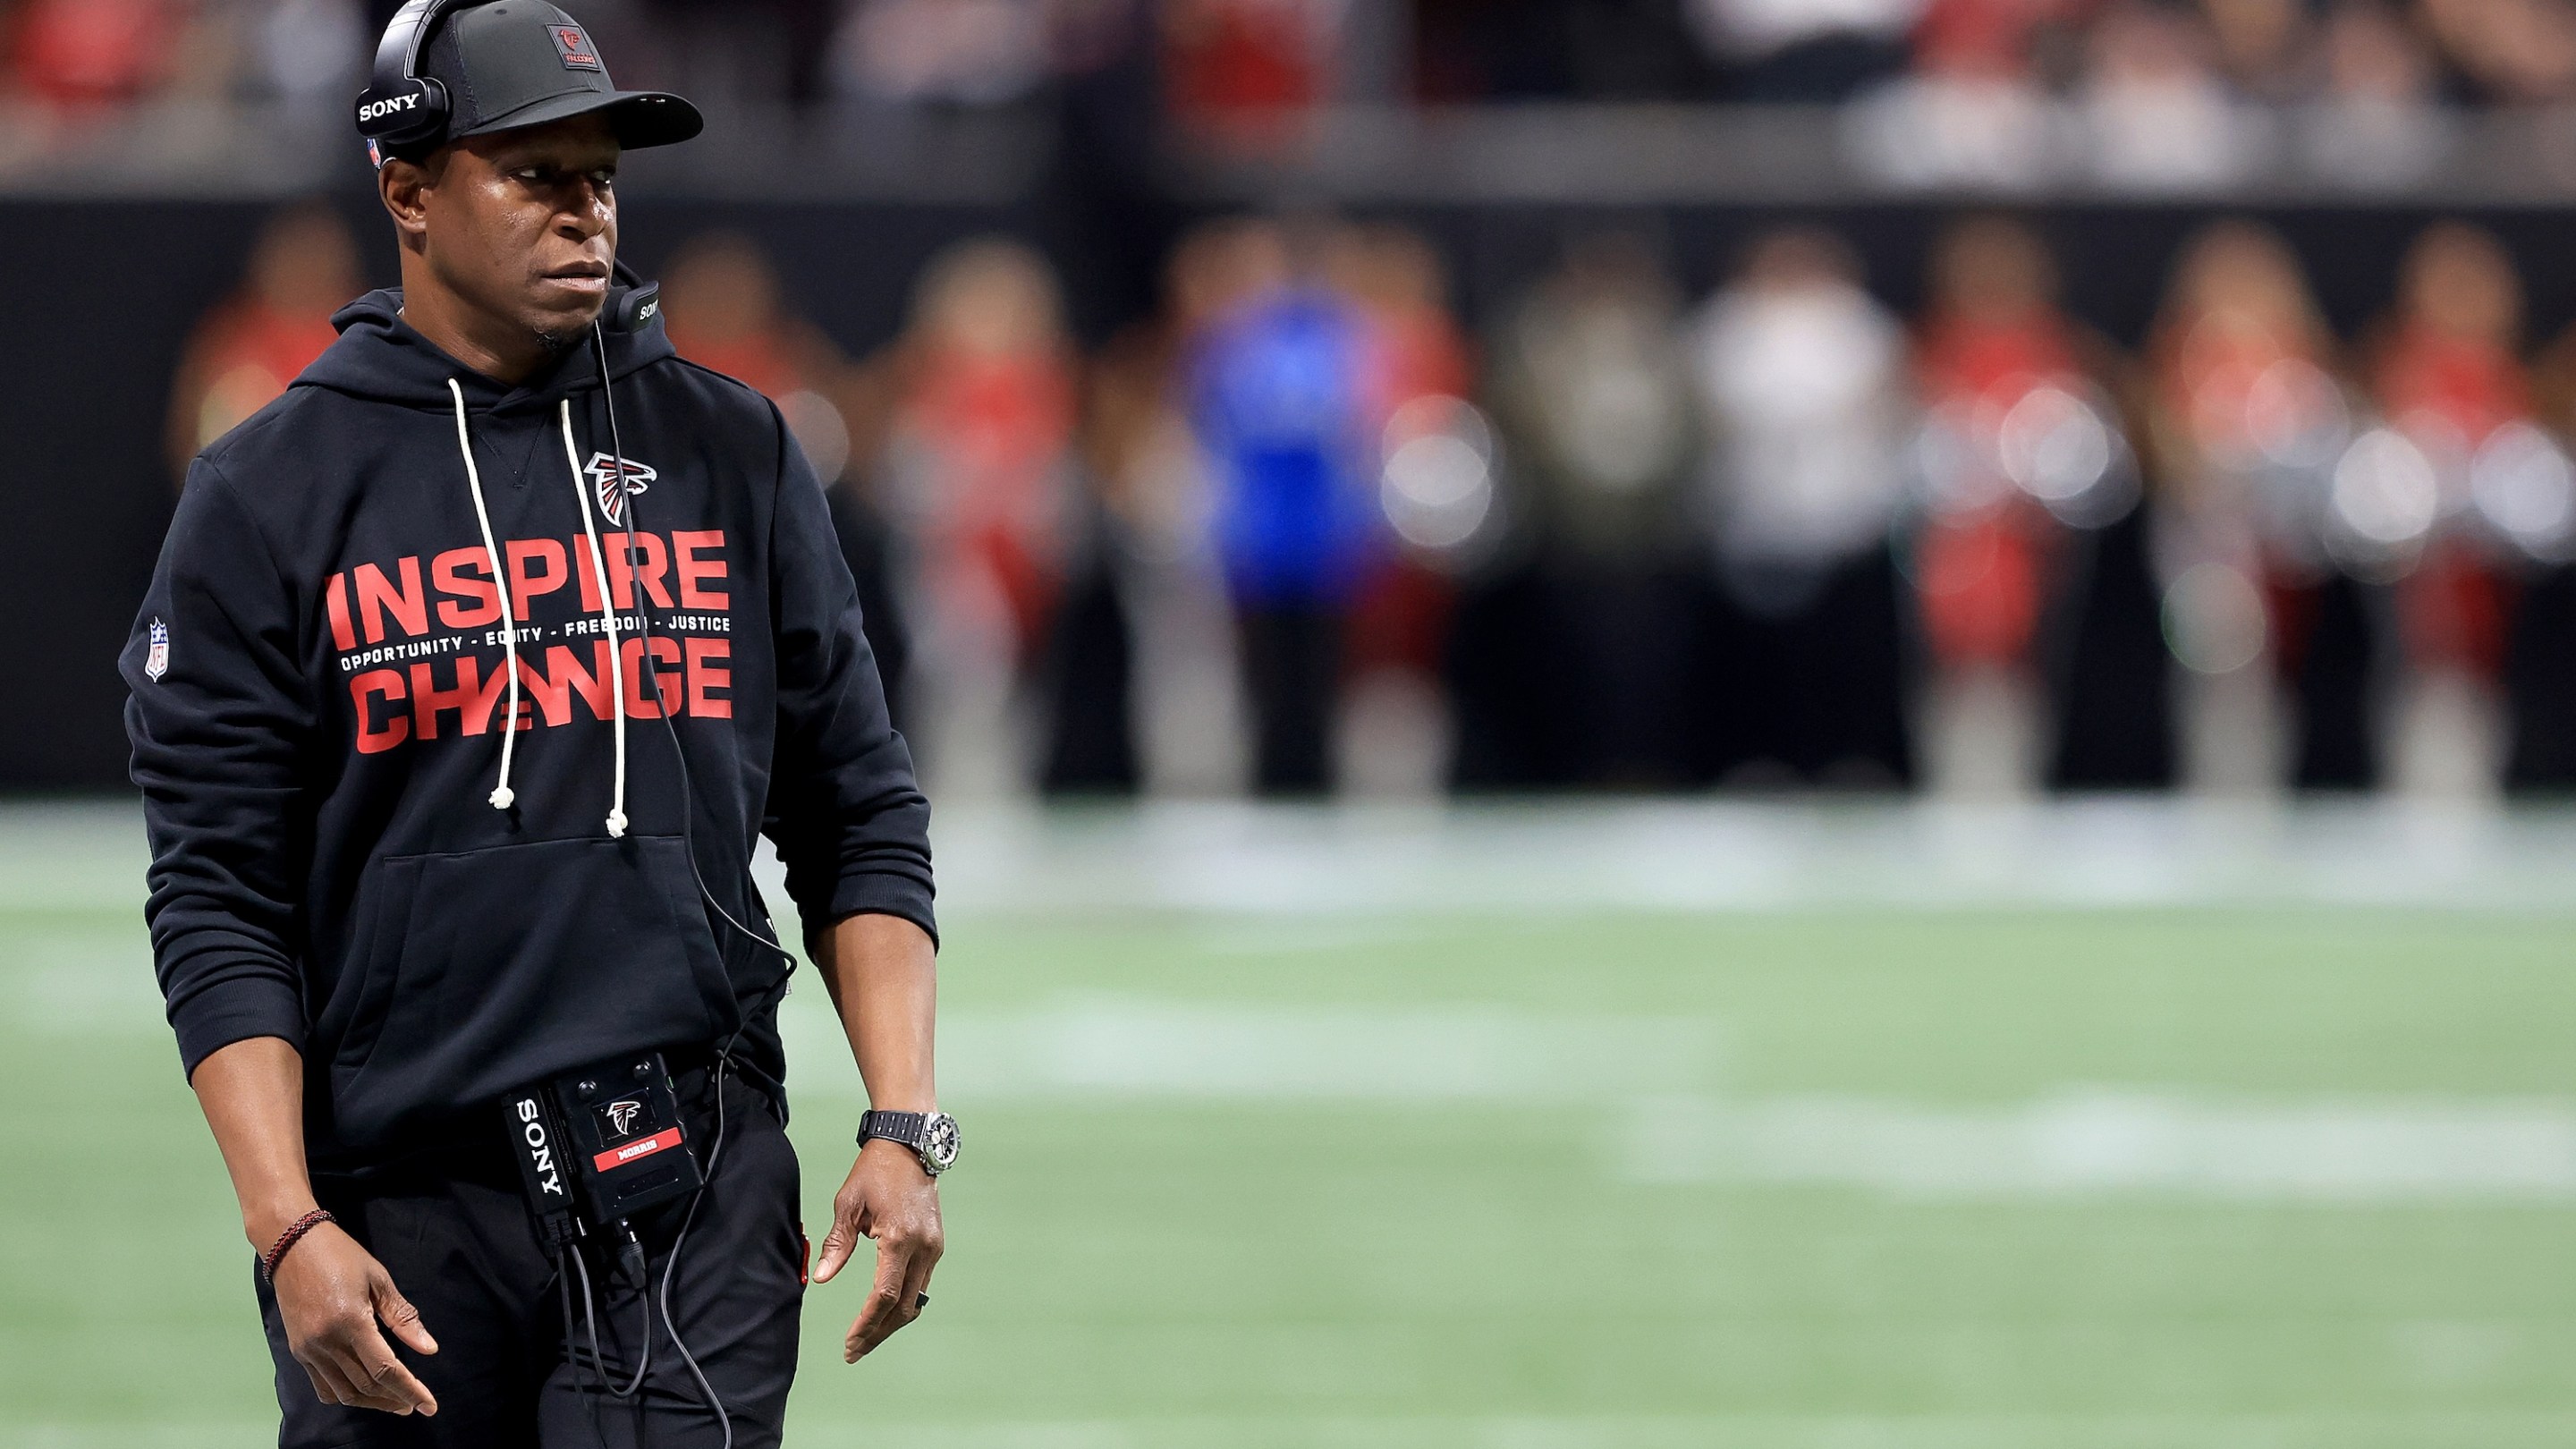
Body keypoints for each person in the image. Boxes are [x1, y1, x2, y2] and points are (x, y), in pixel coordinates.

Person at [120, 5, 948, 1446]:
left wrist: (902, 1115)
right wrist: (286, 1224)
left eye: (602, 177)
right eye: (535, 173)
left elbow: (856, 809)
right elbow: (215, 897)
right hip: (396, 1199)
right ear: (409, 190)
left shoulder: (732, 447)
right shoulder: (267, 492)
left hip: (691, 1168)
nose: (587, 214)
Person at [166, 201, 363, 484]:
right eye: (295, 255)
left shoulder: (365, 329)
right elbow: (188, 441)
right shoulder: (232, 334)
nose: (306, 269)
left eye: (316, 255)